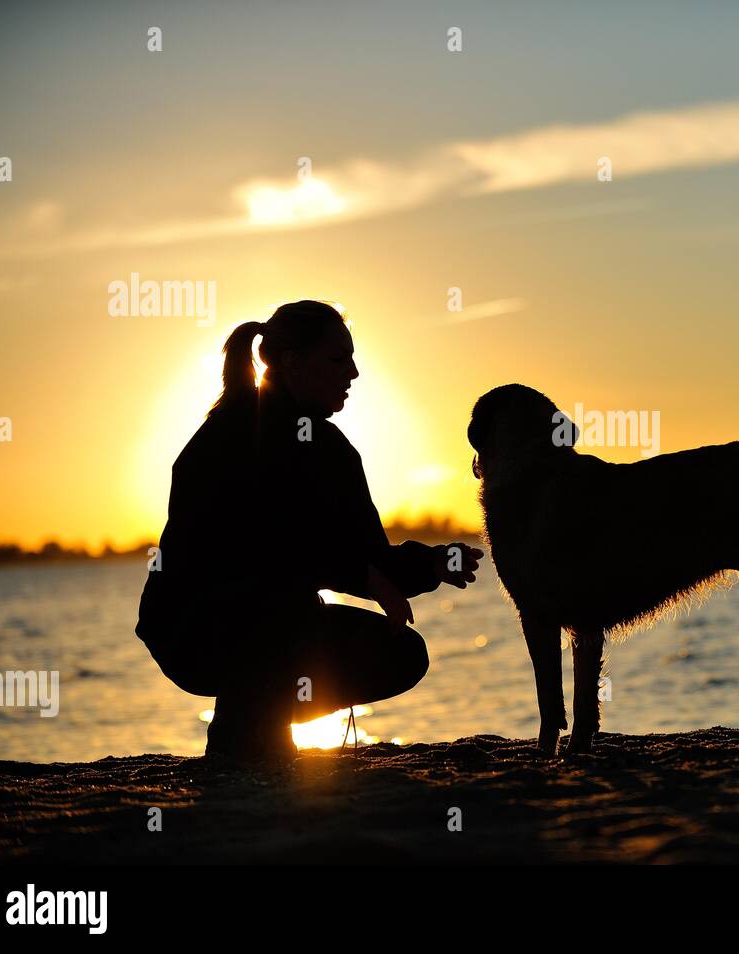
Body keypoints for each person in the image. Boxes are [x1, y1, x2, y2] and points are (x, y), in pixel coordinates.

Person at [135, 300, 482, 762]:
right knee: (270, 612)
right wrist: (364, 579)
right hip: (193, 630)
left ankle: (262, 720)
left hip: (271, 627)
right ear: (292, 363)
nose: (353, 373)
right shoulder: (229, 436)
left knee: (401, 653)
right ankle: (248, 728)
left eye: (353, 359)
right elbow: (263, 549)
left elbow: (365, 554)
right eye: (338, 360)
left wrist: (432, 563)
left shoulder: (333, 449)